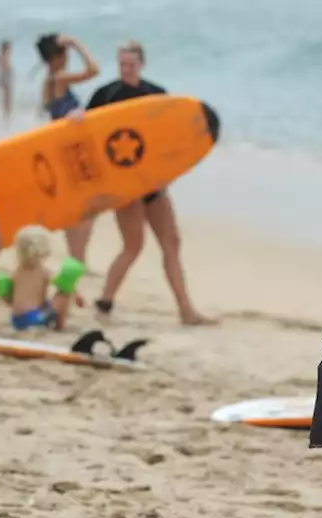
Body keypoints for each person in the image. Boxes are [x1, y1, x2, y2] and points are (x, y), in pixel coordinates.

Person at [83, 40, 213, 325]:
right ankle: (105, 301)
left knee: (171, 242)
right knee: (133, 245)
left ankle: (186, 310)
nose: (126, 69)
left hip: (153, 184)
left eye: (130, 64)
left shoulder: (156, 95)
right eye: (122, 64)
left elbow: (168, 141)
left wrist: (168, 175)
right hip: (125, 187)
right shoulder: (106, 94)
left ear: (141, 63)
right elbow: (85, 135)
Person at [36, 33, 99, 260]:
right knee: (87, 210)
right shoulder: (60, 78)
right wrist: (78, 43)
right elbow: (94, 69)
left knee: (77, 210)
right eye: (65, 52)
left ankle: (76, 257)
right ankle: (77, 259)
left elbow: (53, 115)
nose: (68, 56)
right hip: (71, 152)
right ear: (56, 57)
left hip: (61, 150)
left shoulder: (48, 81)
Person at [1, 225, 82, 331]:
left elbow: (9, 295)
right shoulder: (42, 271)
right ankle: (59, 326)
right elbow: (63, 284)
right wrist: (76, 295)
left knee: (46, 302)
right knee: (63, 294)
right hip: (35, 318)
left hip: (17, 320)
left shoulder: (17, 271)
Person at [0, 40, 13, 120]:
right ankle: (6, 112)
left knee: (7, 95)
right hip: (5, 76)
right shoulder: (2, 57)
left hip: (7, 75)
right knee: (6, 95)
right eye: (8, 47)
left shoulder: (5, 56)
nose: (10, 49)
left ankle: (7, 112)